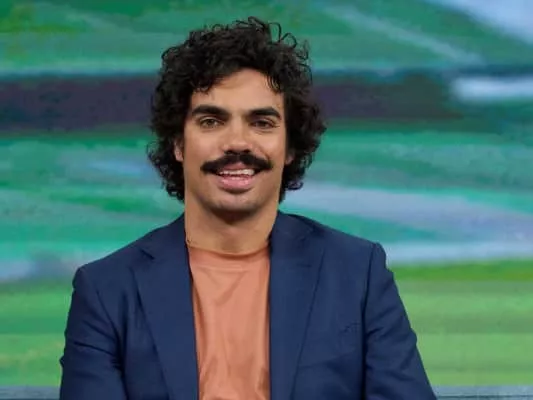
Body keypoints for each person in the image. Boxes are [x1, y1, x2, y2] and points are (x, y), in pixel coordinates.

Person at [59, 16, 436, 400]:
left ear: (290, 147)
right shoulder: (106, 289)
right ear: (178, 144)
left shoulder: (357, 273)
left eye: (261, 123)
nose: (237, 142)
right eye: (211, 121)